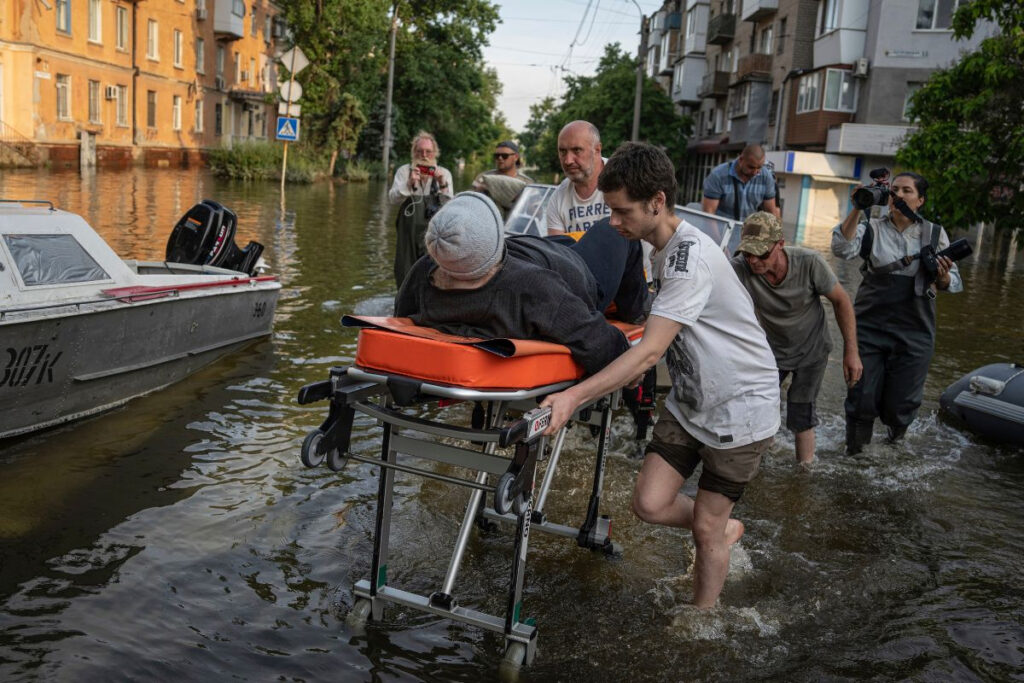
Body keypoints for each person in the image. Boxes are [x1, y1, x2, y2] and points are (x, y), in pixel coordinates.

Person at [541, 143, 780, 609]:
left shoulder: (688, 258)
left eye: (620, 212)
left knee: (705, 529)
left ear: (657, 201)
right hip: (692, 401)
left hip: (741, 408)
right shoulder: (657, 247)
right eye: (609, 211)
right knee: (649, 504)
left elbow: (651, 352)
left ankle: (701, 618)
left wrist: (572, 399)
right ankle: (723, 526)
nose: (612, 223)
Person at [395, 191, 648, 376]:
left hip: (539, 253)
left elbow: (401, 315)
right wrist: (638, 366)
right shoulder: (530, 287)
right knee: (618, 228)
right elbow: (602, 344)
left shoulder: (423, 271)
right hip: (582, 274)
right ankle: (638, 311)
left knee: (562, 242)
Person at [832, 171, 962, 454]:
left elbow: (956, 282)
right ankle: (855, 456)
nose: (898, 196)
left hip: (915, 332)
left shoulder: (935, 234)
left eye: (906, 191)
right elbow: (841, 249)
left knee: (901, 403)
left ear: (920, 200)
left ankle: (893, 450)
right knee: (862, 396)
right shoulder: (871, 228)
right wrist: (857, 207)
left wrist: (942, 278)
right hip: (869, 328)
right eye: (894, 190)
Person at [730, 211, 862, 464]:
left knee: (801, 414)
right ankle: (757, 464)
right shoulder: (739, 269)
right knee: (756, 409)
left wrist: (851, 352)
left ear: (780, 244)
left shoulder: (809, 262)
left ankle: (804, 472)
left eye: (762, 254)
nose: (754, 261)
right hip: (769, 352)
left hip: (811, 351)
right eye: (748, 254)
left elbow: (841, 301)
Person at [388, 131, 454, 287]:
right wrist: (409, 184)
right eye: (419, 151)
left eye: (428, 152)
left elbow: (451, 208)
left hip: (434, 228)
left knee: (433, 266)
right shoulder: (404, 171)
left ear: (435, 153)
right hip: (408, 229)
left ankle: (429, 301)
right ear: (414, 152)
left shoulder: (444, 173)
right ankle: (404, 302)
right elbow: (392, 199)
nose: (424, 155)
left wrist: (442, 184)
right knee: (404, 266)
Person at [545, 121, 609, 235]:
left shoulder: (625, 180)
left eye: (577, 150)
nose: (568, 160)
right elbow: (556, 250)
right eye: (563, 151)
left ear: (597, 150)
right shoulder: (557, 198)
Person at [701, 144, 781, 221]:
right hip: (721, 229)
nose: (755, 172)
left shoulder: (766, 177)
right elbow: (709, 213)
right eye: (751, 167)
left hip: (749, 231)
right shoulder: (718, 175)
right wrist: (716, 235)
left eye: (759, 168)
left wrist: (776, 234)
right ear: (741, 160)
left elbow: (771, 213)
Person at [472, 140, 534, 214]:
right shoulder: (482, 178)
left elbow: (538, 214)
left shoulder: (528, 183)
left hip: (513, 223)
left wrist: (523, 199)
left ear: (516, 157)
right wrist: (479, 191)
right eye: (497, 156)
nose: (500, 158)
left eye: (505, 156)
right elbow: (471, 203)